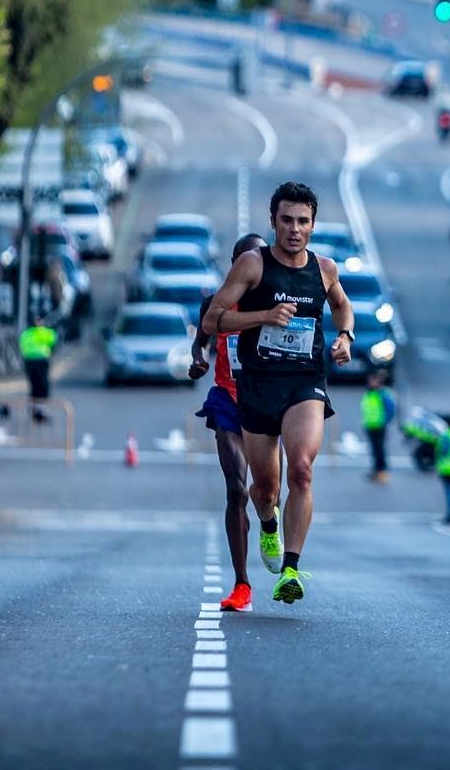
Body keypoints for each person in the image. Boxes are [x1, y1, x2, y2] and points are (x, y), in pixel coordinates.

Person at [203, 182, 356, 604]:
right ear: (273, 222)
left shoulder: (324, 269)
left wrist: (345, 335)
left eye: (303, 221)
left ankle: (290, 568)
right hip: (258, 385)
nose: (294, 229)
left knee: (302, 469)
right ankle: (268, 524)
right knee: (264, 489)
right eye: (286, 220)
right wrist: (264, 316)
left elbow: (343, 305)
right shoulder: (253, 266)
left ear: (312, 224)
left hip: (304, 380)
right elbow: (215, 320)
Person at [190, 233, 268, 613]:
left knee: (266, 493)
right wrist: (200, 359)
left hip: (266, 403)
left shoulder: (274, 302)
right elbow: (201, 340)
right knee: (236, 488)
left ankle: (269, 523)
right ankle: (242, 582)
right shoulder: (217, 303)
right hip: (226, 400)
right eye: (243, 258)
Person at [361, 368, 397, 483]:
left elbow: (391, 409)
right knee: (374, 450)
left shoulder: (383, 394)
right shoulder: (370, 392)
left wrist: (385, 421)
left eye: (373, 380)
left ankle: (382, 472)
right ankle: (376, 471)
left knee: (380, 450)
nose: (370, 382)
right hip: (370, 425)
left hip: (379, 426)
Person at [19, 313, 58, 400]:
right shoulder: (43, 331)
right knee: (43, 385)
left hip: (29, 361)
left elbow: (21, 346)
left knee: (34, 385)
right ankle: (42, 407)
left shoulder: (25, 334)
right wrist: (52, 351)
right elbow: (55, 339)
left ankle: (35, 408)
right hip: (41, 360)